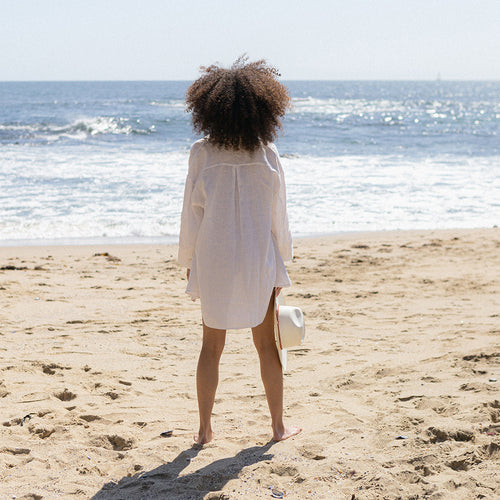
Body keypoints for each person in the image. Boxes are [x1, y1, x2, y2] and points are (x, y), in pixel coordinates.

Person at [178, 56, 301, 444]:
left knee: (210, 347)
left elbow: (190, 214)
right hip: (256, 260)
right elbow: (278, 216)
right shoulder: (267, 152)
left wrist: (187, 262)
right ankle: (278, 427)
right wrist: (283, 261)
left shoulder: (202, 151)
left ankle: (203, 430)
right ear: (264, 109)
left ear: (210, 109)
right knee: (266, 344)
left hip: (213, 257)